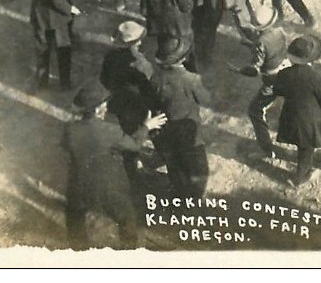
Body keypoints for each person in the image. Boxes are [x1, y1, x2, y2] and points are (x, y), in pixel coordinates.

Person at [62, 80, 166, 250]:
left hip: (78, 185)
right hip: (108, 186)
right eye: (104, 105)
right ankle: (128, 253)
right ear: (97, 110)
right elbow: (134, 145)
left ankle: (77, 250)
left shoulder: (69, 129)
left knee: (74, 217)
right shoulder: (111, 131)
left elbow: (66, 145)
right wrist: (146, 126)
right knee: (127, 218)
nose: (106, 108)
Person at [273, 35, 321, 187]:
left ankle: (302, 176)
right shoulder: (315, 78)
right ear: (311, 59)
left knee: (305, 148)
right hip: (318, 118)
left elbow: (278, 90)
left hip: (294, 117)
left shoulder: (284, 74)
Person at [149, 37, 212, 198]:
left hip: (166, 127)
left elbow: (152, 101)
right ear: (183, 58)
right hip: (187, 127)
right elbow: (205, 99)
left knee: (174, 162)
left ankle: (177, 188)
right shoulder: (191, 79)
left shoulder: (155, 78)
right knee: (196, 164)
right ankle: (195, 195)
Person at [100, 21, 159, 182]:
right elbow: (150, 88)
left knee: (127, 134)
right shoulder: (140, 63)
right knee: (138, 134)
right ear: (138, 41)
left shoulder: (110, 56)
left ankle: (130, 164)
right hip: (137, 106)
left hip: (118, 104)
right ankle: (134, 172)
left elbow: (104, 80)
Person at [233, 4, 291, 160]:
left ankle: (267, 149)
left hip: (272, 80)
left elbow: (255, 67)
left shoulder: (261, 43)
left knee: (255, 111)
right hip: (287, 69)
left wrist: (239, 70)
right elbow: (270, 49)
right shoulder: (280, 32)